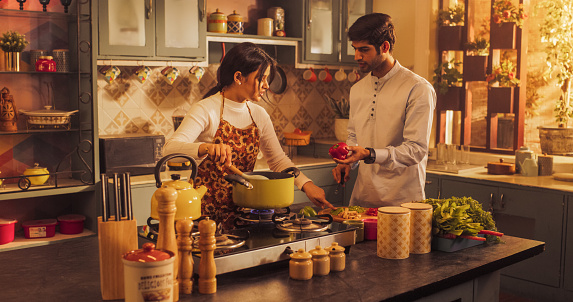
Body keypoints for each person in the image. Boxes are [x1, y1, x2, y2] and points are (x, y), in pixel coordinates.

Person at [163, 42, 334, 229]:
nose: (267, 85)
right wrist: (206, 147)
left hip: (245, 214)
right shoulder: (206, 109)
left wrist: (306, 184)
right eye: (262, 78)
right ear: (238, 77)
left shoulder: (258, 114)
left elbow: (277, 160)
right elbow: (169, 149)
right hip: (205, 216)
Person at [331, 13, 436, 208]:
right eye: (355, 49)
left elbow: (415, 150)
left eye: (364, 50)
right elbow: (354, 136)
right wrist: (348, 161)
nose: (357, 56)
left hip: (403, 205)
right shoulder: (358, 89)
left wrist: (369, 154)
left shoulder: (417, 88)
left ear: (385, 47)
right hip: (362, 201)